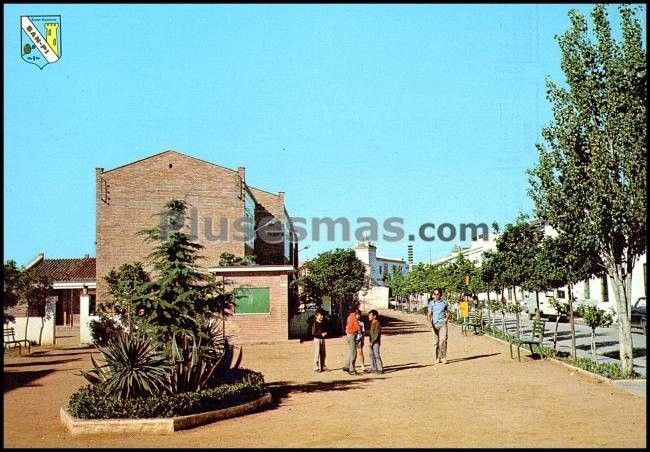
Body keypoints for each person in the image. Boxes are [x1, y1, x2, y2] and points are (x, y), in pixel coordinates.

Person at [426, 288, 451, 364]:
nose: (436, 295)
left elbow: (449, 312)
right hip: (434, 324)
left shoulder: (445, 303)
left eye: (437, 294)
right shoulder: (431, 303)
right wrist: (430, 323)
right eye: (435, 294)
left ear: (441, 294)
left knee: (443, 340)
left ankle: (443, 357)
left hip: (442, 324)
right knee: (436, 342)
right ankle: (437, 358)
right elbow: (429, 314)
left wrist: (446, 319)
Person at [344, 307, 361, 375]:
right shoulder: (354, 317)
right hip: (352, 335)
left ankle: (347, 366)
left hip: (349, 335)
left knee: (350, 351)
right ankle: (352, 369)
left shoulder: (349, 316)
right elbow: (358, 327)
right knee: (353, 353)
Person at [368, 309, 383, 374]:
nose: (369, 316)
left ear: (374, 316)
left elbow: (376, 334)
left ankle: (380, 369)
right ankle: (374, 367)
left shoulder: (377, 323)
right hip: (372, 342)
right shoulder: (373, 323)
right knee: (371, 354)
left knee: (376, 355)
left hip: (375, 342)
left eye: (370, 315)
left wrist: (372, 342)